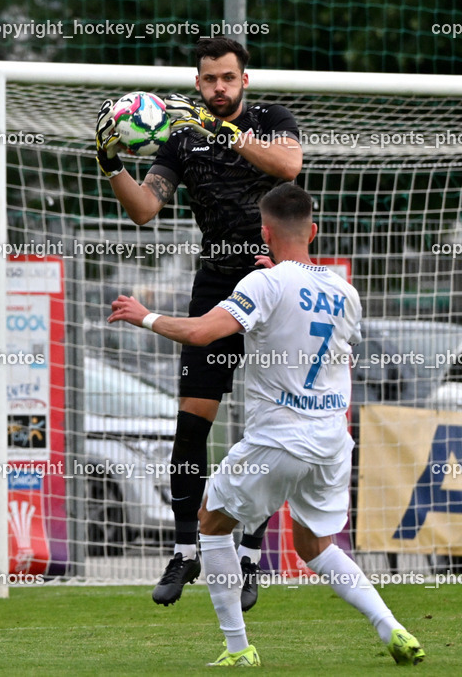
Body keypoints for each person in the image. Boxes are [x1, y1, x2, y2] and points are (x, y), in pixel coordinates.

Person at [108, 183, 426, 667]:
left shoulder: (263, 284)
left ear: (264, 233)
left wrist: (144, 315)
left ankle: (239, 649)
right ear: (312, 232)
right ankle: (394, 628)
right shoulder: (345, 292)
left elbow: (201, 332)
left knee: (211, 523)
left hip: (281, 435)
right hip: (332, 440)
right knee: (314, 546)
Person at [95, 36, 303, 608]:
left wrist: (224, 131)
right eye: (209, 79)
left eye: (228, 78)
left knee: (270, 429)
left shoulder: (270, 120)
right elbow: (144, 209)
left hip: (273, 281)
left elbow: (289, 165)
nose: (219, 88)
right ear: (196, 83)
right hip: (215, 283)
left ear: (244, 81)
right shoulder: (182, 136)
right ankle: (185, 552)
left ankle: (250, 558)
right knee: (191, 426)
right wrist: (110, 161)